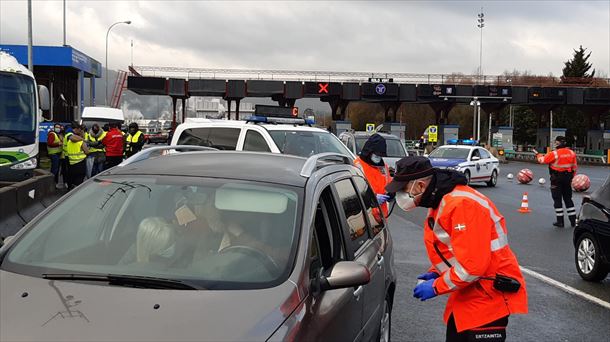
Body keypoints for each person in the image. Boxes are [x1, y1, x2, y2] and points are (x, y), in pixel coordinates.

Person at [385, 156, 528, 342]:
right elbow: (456, 249)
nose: (400, 197)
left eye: (402, 190)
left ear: (420, 186)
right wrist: (436, 272)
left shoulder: (461, 205)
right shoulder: (442, 198)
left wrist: (436, 286)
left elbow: (472, 266)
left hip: (487, 297)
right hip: (474, 293)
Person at [533, 136, 578, 227]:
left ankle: (560, 221)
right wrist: (571, 178)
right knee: (568, 199)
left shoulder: (554, 154)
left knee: (557, 199)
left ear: (557, 143)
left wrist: (538, 155)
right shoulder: (571, 153)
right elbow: (574, 167)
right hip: (567, 178)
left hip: (556, 179)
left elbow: (542, 160)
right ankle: (573, 221)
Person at [354, 133, 392, 216]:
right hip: (365, 217)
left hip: (381, 217)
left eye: (380, 155)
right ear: (369, 151)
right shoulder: (357, 166)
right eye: (377, 155)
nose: (379, 157)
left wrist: (391, 193)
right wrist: (372, 198)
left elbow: (389, 184)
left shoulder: (383, 167)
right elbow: (354, 193)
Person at [65, 123, 89, 190]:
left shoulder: (69, 141)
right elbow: (87, 152)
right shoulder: (81, 141)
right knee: (79, 180)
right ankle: (76, 193)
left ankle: (70, 190)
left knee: (71, 178)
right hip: (80, 163)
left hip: (72, 162)